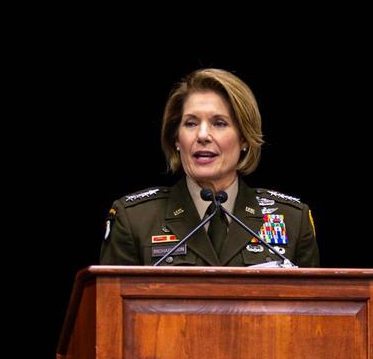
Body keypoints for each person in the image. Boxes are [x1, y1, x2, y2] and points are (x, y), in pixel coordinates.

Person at [100, 68, 319, 267]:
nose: (203, 135)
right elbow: (112, 307)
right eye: (191, 123)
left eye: (219, 123)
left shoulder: (292, 220)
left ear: (244, 138)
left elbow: (315, 308)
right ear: (176, 138)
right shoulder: (135, 220)